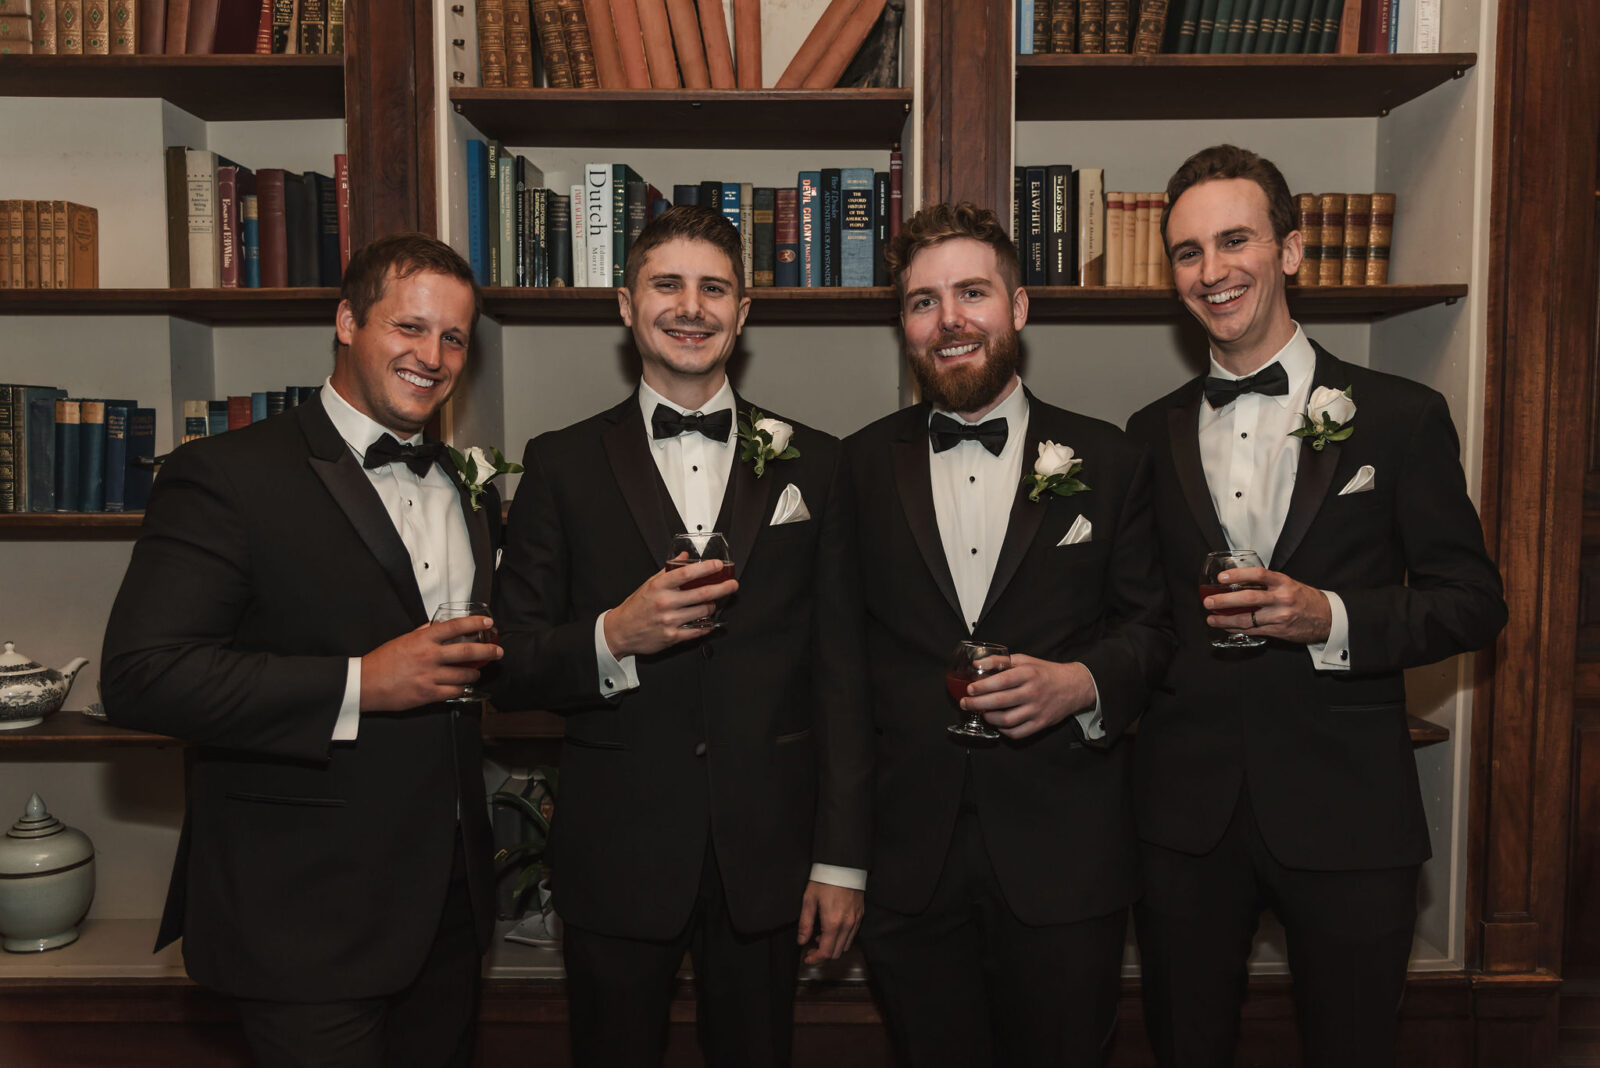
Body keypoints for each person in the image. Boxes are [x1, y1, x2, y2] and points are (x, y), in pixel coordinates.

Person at [1124, 144, 1508, 1068]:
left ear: (1292, 250)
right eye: (1187, 252)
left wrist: (1327, 618)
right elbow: (1139, 621)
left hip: (1350, 808)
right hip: (1184, 818)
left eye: (1235, 240)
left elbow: (1472, 604)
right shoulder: (1147, 433)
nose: (1212, 272)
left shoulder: (1399, 416)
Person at [100, 233, 502, 1068]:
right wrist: (363, 682)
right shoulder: (224, 474)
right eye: (410, 328)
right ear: (348, 321)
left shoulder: (465, 482)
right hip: (303, 914)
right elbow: (143, 676)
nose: (433, 356)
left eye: (454, 337)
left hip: (449, 907)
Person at [490, 205, 871, 1068]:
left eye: (714, 287)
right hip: (616, 852)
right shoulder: (559, 462)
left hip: (770, 858)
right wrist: (612, 636)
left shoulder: (820, 462)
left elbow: (843, 676)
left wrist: (840, 862)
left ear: (744, 311)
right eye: (667, 284)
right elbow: (510, 667)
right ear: (625, 305)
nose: (690, 307)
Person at [844, 201, 1172, 1066]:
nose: (949, 320)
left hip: (1068, 859)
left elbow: (1153, 628)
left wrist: (1081, 684)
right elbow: (836, 671)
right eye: (922, 302)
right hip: (909, 865)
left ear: (1018, 308)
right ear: (903, 324)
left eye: (972, 293)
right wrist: (842, 861)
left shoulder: (1110, 461)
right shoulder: (857, 467)